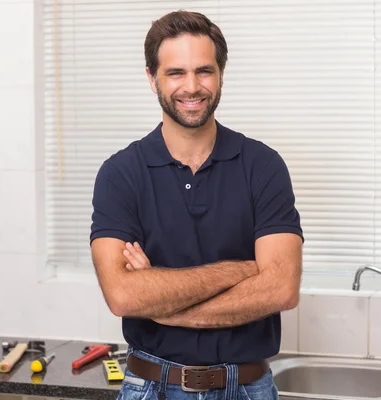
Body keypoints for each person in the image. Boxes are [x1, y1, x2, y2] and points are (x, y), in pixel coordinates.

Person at [89, 10, 303, 400]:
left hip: (248, 389)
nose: (192, 87)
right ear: (152, 77)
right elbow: (123, 296)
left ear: (221, 74)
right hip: (150, 388)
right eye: (176, 73)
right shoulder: (121, 174)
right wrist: (242, 271)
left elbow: (281, 289)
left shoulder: (263, 166)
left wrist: (161, 305)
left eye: (204, 71)